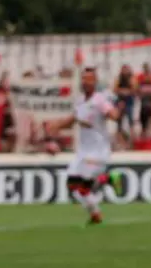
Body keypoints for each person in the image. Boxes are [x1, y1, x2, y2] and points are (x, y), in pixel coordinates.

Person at [43, 67, 125, 225]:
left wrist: (116, 111)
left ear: (95, 82)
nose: (85, 82)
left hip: (98, 151)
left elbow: (113, 115)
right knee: (72, 185)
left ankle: (109, 178)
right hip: (83, 152)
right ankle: (95, 214)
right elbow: (72, 120)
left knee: (84, 185)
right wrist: (55, 126)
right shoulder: (80, 100)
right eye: (84, 79)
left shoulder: (100, 100)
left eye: (89, 79)